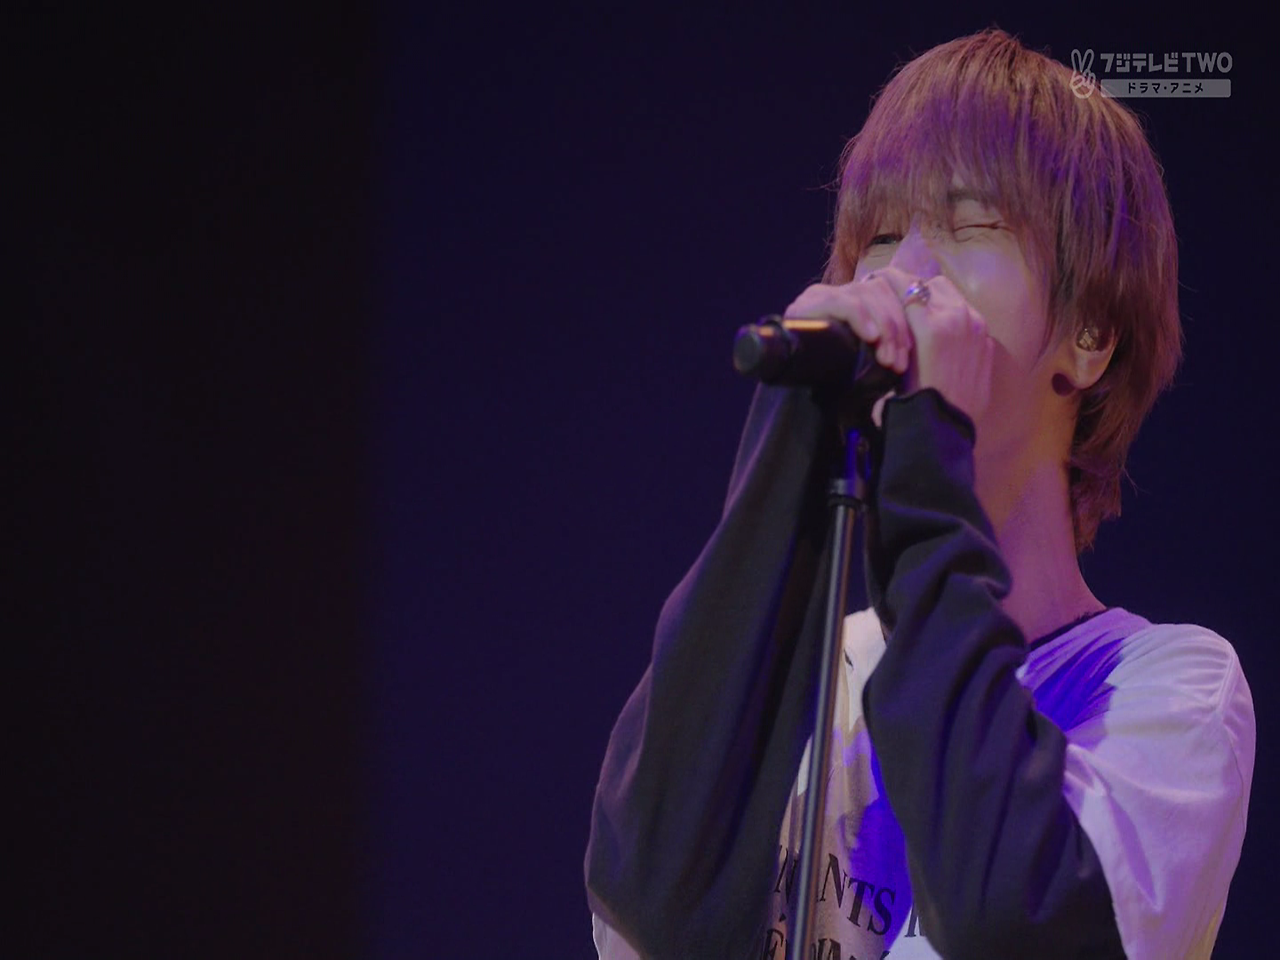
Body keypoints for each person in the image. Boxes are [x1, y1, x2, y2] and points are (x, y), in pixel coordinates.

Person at [583, 28, 1254, 960]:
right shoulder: (817, 673)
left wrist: (929, 462)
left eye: (972, 227)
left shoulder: (1167, 692)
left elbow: (1014, 923)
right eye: (883, 237)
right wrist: (796, 436)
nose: (906, 277)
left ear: (1091, 334)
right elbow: (650, 907)